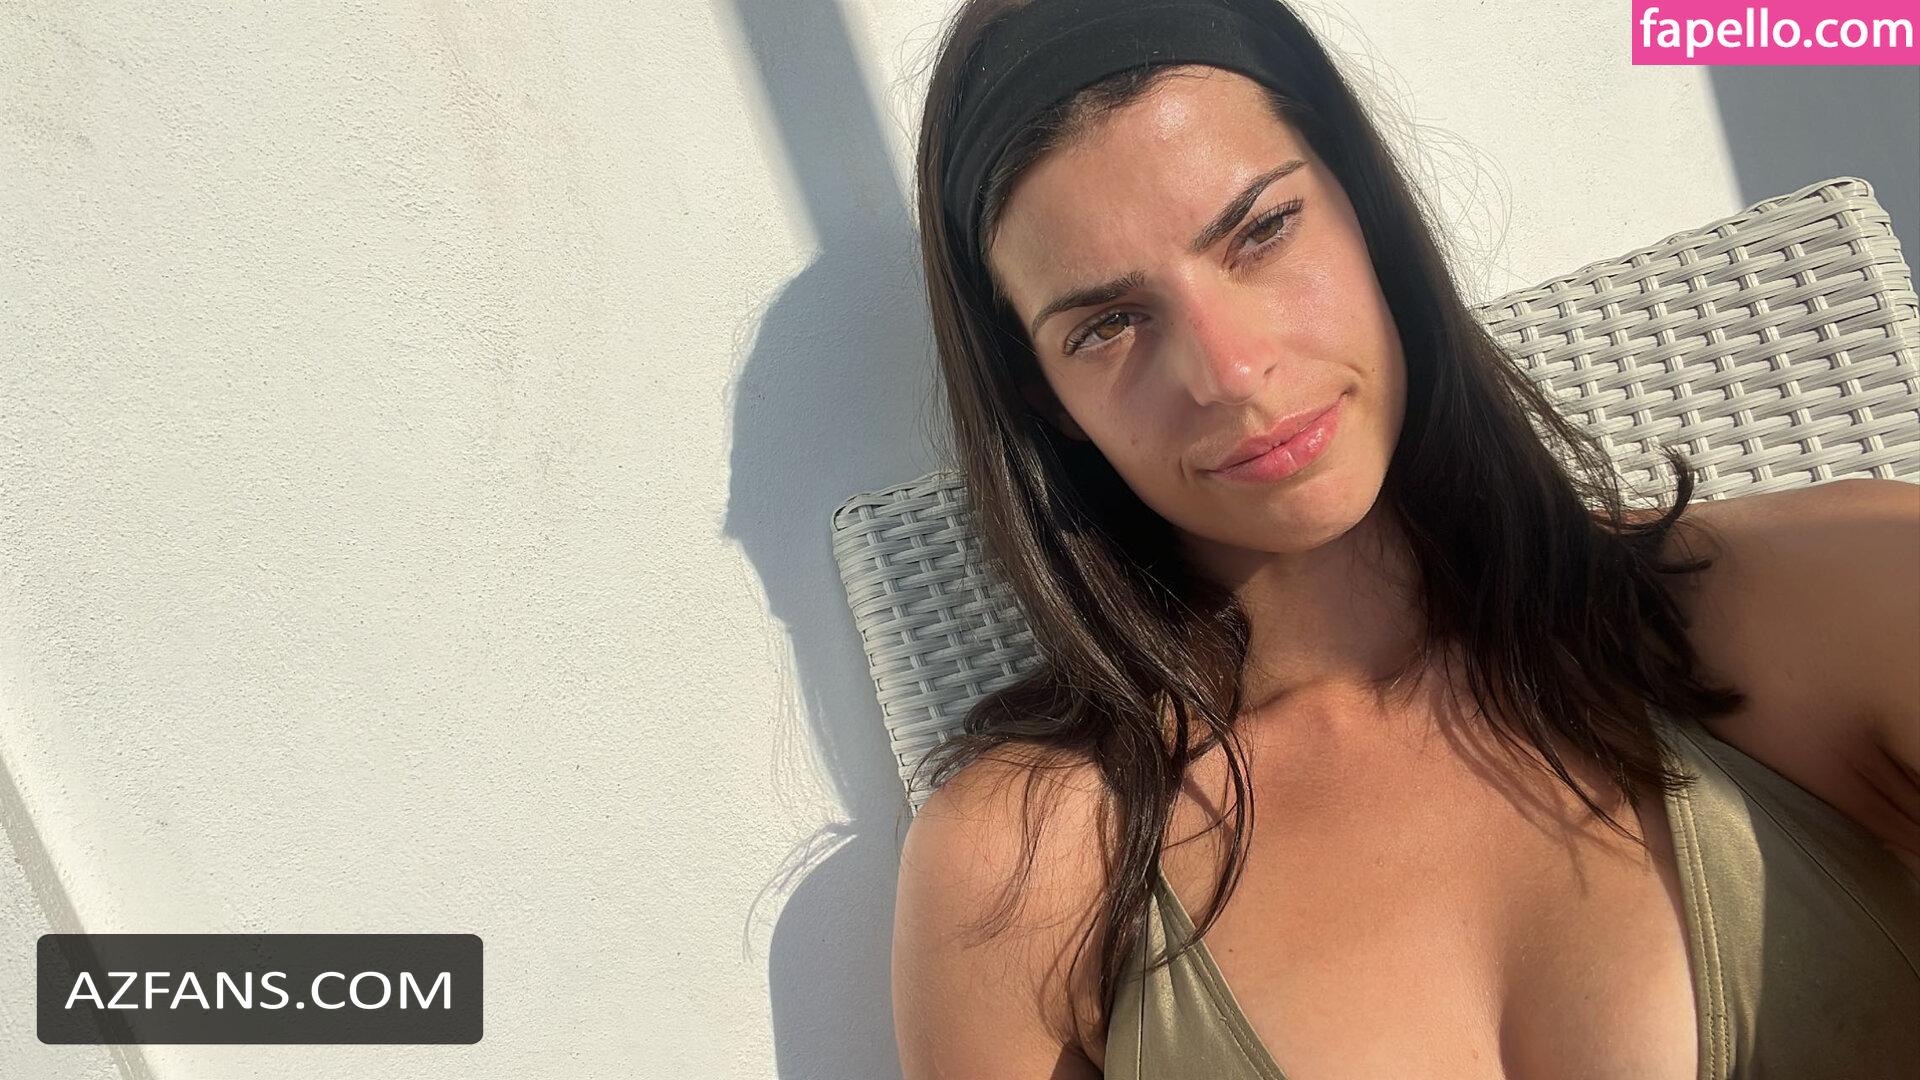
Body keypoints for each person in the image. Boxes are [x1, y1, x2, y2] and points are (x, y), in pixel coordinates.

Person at [888, 0, 1920, 1077]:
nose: (1229, 373)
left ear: (1367, 211)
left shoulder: (1825, 598)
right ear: (1046, 398)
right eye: (1107, 324)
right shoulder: (1026, 871)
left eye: (1262, 231)